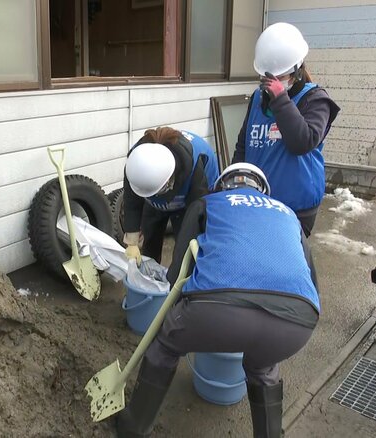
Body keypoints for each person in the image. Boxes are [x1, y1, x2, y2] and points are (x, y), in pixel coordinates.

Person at [117, 163, 320, 438]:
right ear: (263, 190)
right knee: (262, 365)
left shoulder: (207, 203)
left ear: (223, 185)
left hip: (214, 310)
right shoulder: (289, 215)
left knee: (164, 345)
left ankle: (133, 427)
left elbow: (177, 273)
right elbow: (312, 284)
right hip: (296, 322)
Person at [232, 22, 339, 237]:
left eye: (279, 77)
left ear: (297, 70)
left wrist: (281, 99)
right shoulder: (257, 98)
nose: (272, 83)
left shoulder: (316, 99)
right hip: (258, 201)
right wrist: (235, 181)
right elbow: (244, 146)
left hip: (296, 207)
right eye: (267, 77)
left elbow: (302, 142)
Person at [122, 127, 219, 264]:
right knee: (150, 242)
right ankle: (150, 277)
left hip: (191, 198)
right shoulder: (136, 163)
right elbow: (132, 202)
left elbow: (198, 217)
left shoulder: (196, 163)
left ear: (169, 179)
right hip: (155, 200)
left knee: (186, 248)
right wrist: (132, 242)